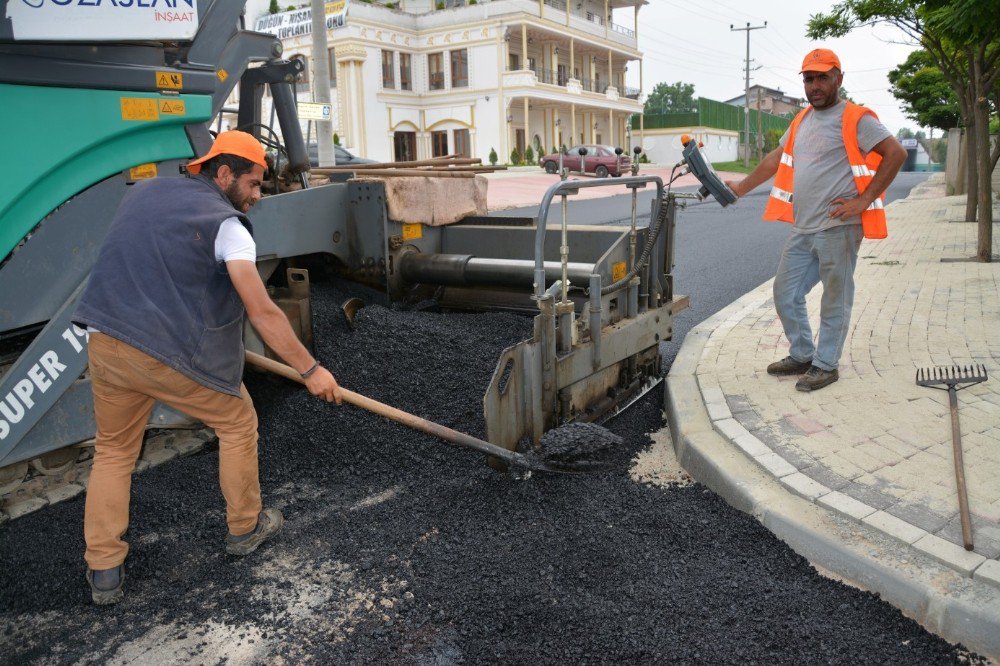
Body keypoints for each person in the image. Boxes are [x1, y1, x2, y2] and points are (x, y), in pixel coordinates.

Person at [73, 130, 342, 605]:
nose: (257, 196)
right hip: (165, 353)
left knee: (114, 450)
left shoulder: (145, 192)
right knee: (238, 420)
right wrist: (310, 370)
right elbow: (261, 311)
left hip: (106, 339)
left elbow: (149, 263)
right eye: (255, 184)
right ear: (223, 173)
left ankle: (104, 569)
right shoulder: (229, 227)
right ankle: (245, 527)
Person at [725, 48, 906, 392]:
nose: (815, 85)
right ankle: (803, 353)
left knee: (834, 296)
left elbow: (895, 153)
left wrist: (863, 201)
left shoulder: (855, 118)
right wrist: (742, 187)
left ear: (839, 78)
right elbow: (777, 158)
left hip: (838, 226)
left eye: (823, 77)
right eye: (809, 78)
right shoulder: (802, 120)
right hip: (804, 227)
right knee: (785, 292)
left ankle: (825, 364)